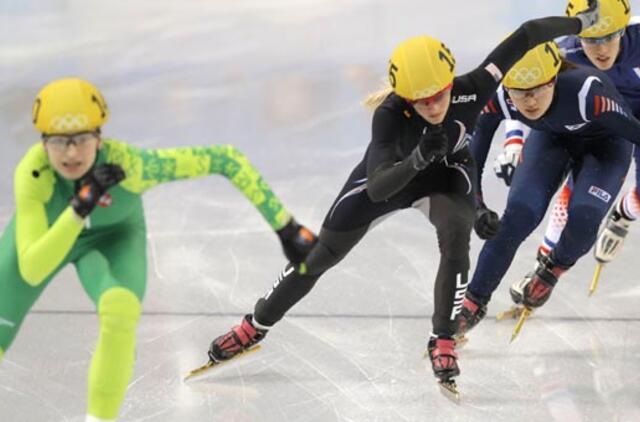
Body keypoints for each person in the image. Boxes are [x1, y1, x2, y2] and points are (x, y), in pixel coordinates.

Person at [204, 4, 600, 396]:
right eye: (420, 100)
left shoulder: (475, 87)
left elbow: (529, 33)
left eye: (438, 96)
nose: (432, 106)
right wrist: (417, 158)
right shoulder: (390, 116)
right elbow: (377, 188)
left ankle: (443, 339)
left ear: (450, 83)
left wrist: (580, 23)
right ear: (404, 97)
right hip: (394, 176)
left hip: (447, 175)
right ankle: (255, 325)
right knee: (318, 255)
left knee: (456, 235)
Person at [0, 78, 316, 422]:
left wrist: (285, 226)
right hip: (49, 239)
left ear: (99, 136)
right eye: (59, 142)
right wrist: (80, 206)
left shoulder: (131, 166)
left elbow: (227, 159)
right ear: (43, 142)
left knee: (120, 310)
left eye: (82, 139)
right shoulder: (34, 173)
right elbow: (32, 268)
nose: (71, 153)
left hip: (112, 239)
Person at [457, 20, 640, 339]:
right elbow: (472, 158)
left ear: (554, 78)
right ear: (506, 87)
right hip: (552, 140)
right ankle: (472, 303)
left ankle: (553, 268)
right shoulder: (498, 96)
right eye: (520, 92)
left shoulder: (588, 93)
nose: (529, 102)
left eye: (539, 87)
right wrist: (477, 207)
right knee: (518, 215)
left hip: (607, 143)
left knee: (584, 217)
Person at [492, 0, 638, 267]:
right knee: (577, 180)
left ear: (623, 29)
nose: (601, 49)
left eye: (608, 36)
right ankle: (546, 255)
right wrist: (513, 140)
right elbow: (522, 88)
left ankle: (625, 212)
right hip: (594, 125)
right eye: (590, 40)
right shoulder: (561, 53)